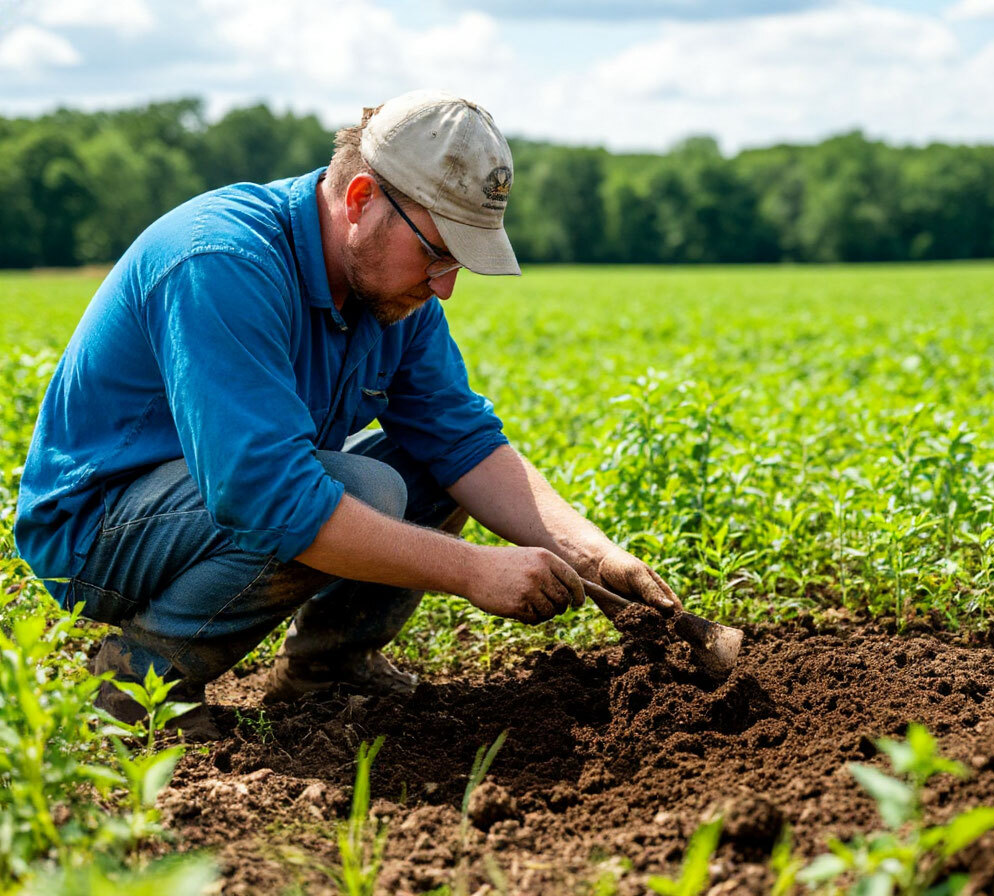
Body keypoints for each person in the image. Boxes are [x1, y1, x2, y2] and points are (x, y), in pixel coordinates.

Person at [14, 89, 680, 738]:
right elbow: (269, 497)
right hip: (95, 526)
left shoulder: (394, 299)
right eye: (438, 251)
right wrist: (475, 569)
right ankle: (139, 681)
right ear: (362, 199)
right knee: (364, 488)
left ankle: (330, 670)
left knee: (425, 463)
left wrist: (593, 556)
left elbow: (463, 442)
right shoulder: (222, 261)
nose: (446, 285)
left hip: (198, 505)